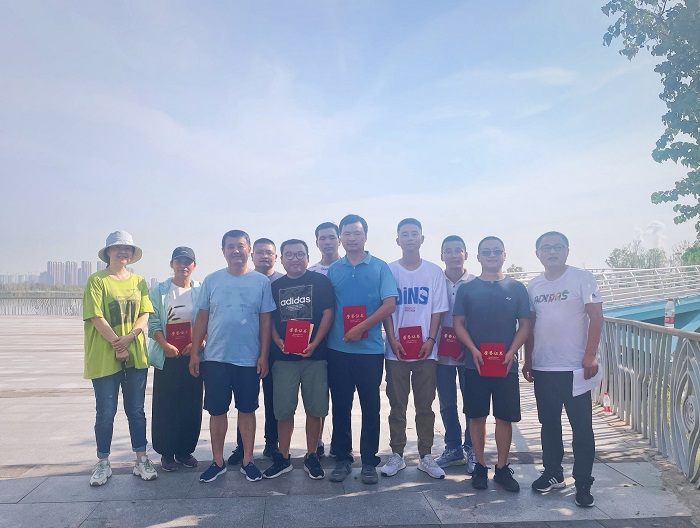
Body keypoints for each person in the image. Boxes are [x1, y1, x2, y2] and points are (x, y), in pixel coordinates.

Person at [524, 231, 603, 508]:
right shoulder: (533, 286)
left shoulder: (582, 278)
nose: (552, 252)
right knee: (549, 425)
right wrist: (528, 359)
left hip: (575, 368)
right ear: (538, 254)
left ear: (567, 250)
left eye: (558, 247)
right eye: (546, 248)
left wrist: (590, 355)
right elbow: (530, 326)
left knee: (581, 428)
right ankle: (553, 473)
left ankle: (583, 483)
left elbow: (596, 317)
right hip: (544, 367)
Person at [189, 230, 276, 483]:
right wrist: (194, 353)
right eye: (230, 247)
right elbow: (202, 318)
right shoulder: (212, 280)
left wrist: (263, 355)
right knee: (217, 411)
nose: (236, 251)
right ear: (223, 251)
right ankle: (218, 461)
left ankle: (248, 460)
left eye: (240, 246)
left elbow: (266, 321)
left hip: (248, 359)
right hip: (216, 358)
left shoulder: (261, 282)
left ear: (249, 250)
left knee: (247, 410)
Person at [453, 236, 530, 492]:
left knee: (504, 417)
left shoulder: (516, 288)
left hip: (505, 364)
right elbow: (458, 324)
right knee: (477, 416)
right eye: (486, 251)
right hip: (475, 364)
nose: (492, 255)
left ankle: (502, 468)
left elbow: (525, 325)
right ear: (478, 257)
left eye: (497, 251)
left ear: (504, 255)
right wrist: (472, 349)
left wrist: (512, 351)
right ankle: (480, 466)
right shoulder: (467, 289)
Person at [326, 214, 397, 485]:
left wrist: (361, 327)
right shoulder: (334, 270)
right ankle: (343, 458)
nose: (352, 238)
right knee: (340, 405)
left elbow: (389, 305)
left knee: (370, 406)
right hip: (338, 349)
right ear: (340, 238)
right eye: (347, 233)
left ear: (365, 235)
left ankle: (369, 461)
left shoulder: (379, 268)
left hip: (369, 351)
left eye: (357, 233)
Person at [83, 231, 156, 486]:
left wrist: (130, 338)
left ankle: (141, 459)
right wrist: (118, 343)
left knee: (136, 410)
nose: (122, 251)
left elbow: (145, 313)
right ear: (108, 253)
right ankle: (103, 462)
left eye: (127, 248)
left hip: (135, 355)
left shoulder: (139, 282)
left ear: (132, 253)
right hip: (104, 356)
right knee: (105, 412)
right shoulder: (97, 281)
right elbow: (96, 316)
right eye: (117, 248)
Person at [381, 218, 448, 480]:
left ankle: (426, 455)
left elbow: (437, 310)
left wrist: (431, 339)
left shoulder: (433, 272)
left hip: (425, 351)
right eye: (405, 234)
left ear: (422, 238)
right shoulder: (388, 271)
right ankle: (397, 454)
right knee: (397, 404)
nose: (410, 238)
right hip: (396, 351)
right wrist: (391, 338)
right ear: (397, 240)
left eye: (414, 233)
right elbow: (386, 309)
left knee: (425, 405)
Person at [263, 239, 335, 480]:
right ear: (281, 259)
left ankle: (312, 455)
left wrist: (315, 343)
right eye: (290, 255)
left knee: (316, 408)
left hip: (316, 357)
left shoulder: (320, 282)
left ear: (307, 257)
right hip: (284, 359)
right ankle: (283, 457)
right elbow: (270, 319)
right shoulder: (275, 286)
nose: (295, 259)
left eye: (300, 254)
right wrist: (277, 341)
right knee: (284, 410)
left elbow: (328, 313)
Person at [147, 246, 203, 472]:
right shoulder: (159, 291)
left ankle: (185, 451)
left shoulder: (201, 290)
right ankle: (167, 452)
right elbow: (153, 322)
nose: (183, 266)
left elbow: (208, 320)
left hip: (193, 355)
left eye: (187, 262)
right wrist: (165, 345)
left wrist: (197, 345)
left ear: (194, 266)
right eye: (178, 261)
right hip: (167, 356)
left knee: (191, 403)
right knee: (166, 405)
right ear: (172, 264)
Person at [227, 237, 281, 466]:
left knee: (273, 399)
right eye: (259, 252)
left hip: (275, 351)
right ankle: (242, 447)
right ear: (252, 255)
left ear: (275, 256)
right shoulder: (244, 280)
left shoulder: (282, 282)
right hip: (245, 349)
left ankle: (272, 444)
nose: (264, 256)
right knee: (244, 402)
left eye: (268, 252)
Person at [434, 235, 476, 473]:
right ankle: (453, 448)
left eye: (457, 250)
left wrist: (467, 347)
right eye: (448, 251)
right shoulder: (435, 281)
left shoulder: (475, 283)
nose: (453, 255)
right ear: (442, 256)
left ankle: (472, 448)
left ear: (465, 255)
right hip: (441, 353)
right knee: (446, 402)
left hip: (468, 353)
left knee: (471, 401)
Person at [307, 221, 342, 457]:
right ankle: (316, 441)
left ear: (339, 240)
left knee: (341, 397)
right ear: (317, 242)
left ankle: (340, 443)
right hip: (317, 344)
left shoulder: (350, 267)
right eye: (323, 238)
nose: (327, 242)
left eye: (331, 237)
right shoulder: (310, 273)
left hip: (344, 342)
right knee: (317, 396)